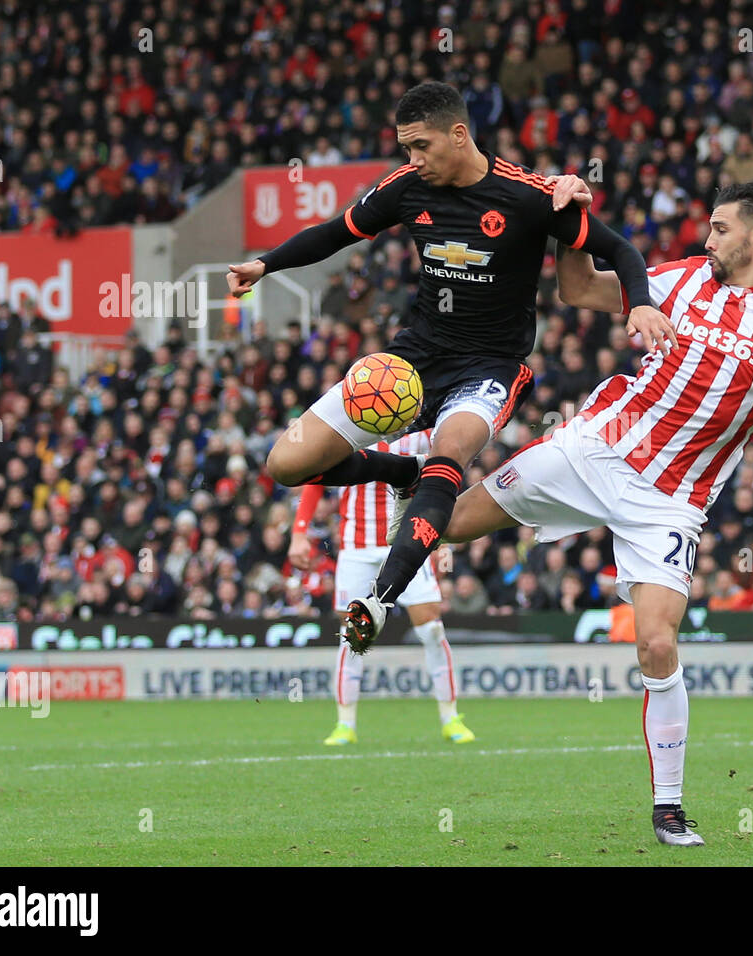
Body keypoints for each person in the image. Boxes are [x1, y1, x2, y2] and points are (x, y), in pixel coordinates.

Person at [434, 181, 753, 846]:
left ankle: (668, 808)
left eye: (720, 228)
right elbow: (582, 291)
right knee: (453, 522)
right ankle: (377, 512)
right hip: (596, 446)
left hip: (670, 502)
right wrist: (568, 228)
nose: (707, 239)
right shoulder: (682, 278)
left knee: (658, 643)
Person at [228, 81, 673, 650]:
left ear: (459, 135)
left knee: (451, 451)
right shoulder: (407, 188)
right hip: (410, 361)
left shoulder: (532, 197)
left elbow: (620, 250)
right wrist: (264, 265)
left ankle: (379, 599)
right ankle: (400, 475)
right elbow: (336, 234)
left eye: (420, 146)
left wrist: (638, 301)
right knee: (286, 465)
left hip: (489, 366)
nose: (412, 160)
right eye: (405, 148)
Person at [289, 428, 473, 746]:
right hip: (356, 544)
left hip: (408, 538)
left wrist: (443, 534)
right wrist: (299, 532)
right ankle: (345, 723)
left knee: (430, 628)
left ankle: (450, 717)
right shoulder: (348, 427)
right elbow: (315, 478)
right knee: (354, 633)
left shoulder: (426, 428)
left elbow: (444, 476)